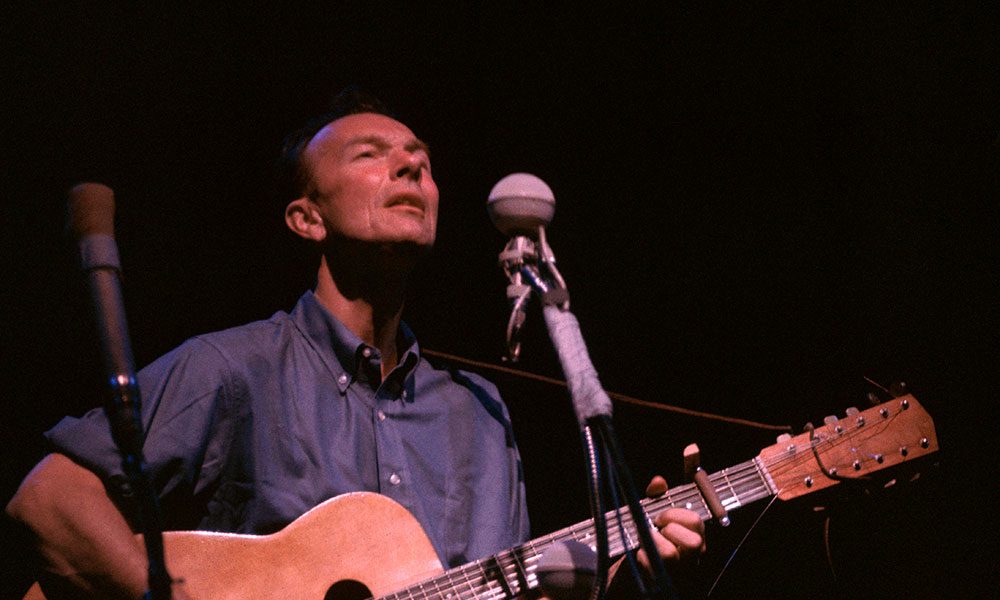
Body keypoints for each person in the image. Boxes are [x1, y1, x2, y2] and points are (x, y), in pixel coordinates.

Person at [6, 89, 704, 599]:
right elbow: (48, 500)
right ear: (307, 218)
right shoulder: (235, 368)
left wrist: (617, 568)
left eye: (420, 161)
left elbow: (509, 588)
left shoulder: (482, 415)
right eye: (372, 156)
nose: (411, 169)